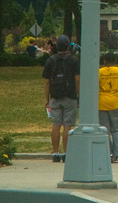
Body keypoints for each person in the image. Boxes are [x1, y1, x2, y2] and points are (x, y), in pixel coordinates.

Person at [42, 35, 80, 163]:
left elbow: (47, 82)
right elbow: (77, 80)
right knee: (67, 126)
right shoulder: (74, 60)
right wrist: (78, 95)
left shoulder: (50, 61)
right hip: (70, 96)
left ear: (56, 47)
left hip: (55, 96)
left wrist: (47, 99)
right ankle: (66, 153)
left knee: (56, 125)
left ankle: (55, 153)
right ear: (68, 46)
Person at [99, 52, 118, 163]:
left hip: (101, 103)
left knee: (105, 131)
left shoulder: (99, 72)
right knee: (116, 130)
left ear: (104, 61)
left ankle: (109, 154)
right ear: (115, 61)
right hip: (115, 103)